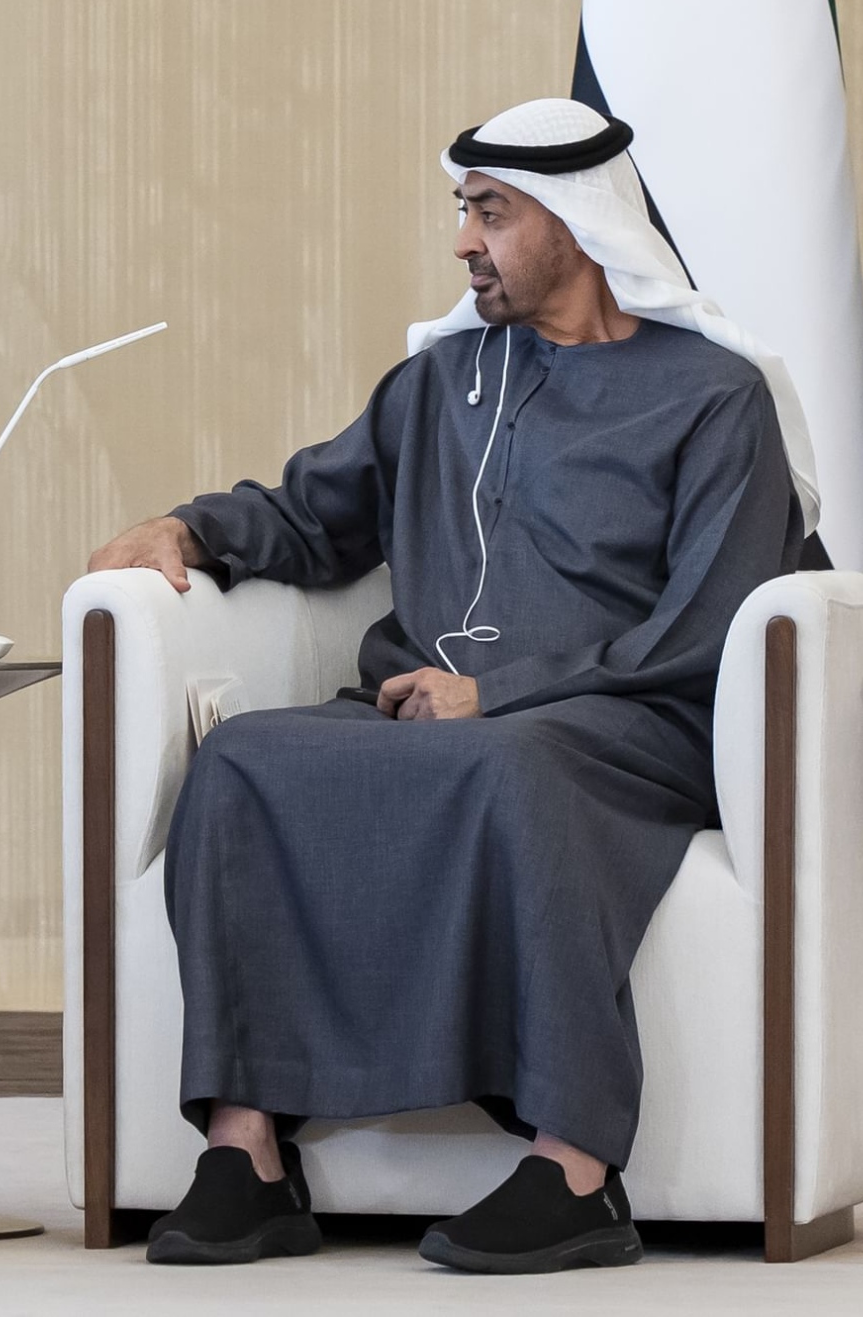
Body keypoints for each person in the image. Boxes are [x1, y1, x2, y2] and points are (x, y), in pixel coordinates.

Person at [90, 97, 820, 1276]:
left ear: (577, 224)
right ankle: (246, 1151)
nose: (463, 240)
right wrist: (189, 527)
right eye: (463, 209)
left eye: (491, 212)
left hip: (626, 720)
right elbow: (312, 513)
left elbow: (708, 622)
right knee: (241, 763)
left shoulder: (710, 395)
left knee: (508, 762)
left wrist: (498, 693)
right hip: (423, 710)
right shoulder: (437, 382)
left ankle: (574, 1167)